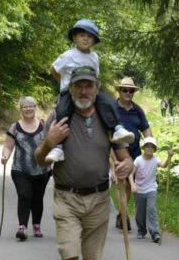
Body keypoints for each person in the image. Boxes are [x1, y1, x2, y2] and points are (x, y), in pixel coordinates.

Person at [35, 66, 132, 260]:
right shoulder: (59, 117)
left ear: (97, 88)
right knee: (69, 251)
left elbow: (125, 159)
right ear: (71, 88)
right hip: (67, 196)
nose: (84, 91)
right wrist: (48, 142)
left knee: (92, 256)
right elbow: (39, 159)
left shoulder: (106, 117)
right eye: (79, 85)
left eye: (89, 85)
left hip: (100, 198)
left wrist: (127, 168)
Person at [46, 18, 134, 163]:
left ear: (93, 40)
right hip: (71, 91)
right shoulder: (68, 55)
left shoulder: (94, 57)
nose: (85, 39)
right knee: (62, 111)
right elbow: (54, 69)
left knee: (108, 102)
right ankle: (59, 147)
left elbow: (96, 76)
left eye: (89, 36)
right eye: (82, 35)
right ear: (74, 37)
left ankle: (117, 128)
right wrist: (63, 84)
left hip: (90, 91)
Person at [1, 96, 52, 240]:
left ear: (36, 108)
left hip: (42, 169)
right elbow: (8, 146)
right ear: (21, 109)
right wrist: (5, 156)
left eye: (31, 106)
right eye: (25, 106)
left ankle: (36, 225)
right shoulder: (15, 127)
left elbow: (51, 144)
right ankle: (22, 227)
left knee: (37, 198)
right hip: (20, 169)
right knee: (24, 196)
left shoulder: (44, 125)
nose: (28, 109)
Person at [114, 77, 152, 230]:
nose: (128, 93)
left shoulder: (138, 110)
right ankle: (123, 216)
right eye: (125, 90)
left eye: (131, 90)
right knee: (121, 182)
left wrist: (150, 144)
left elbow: (146, 129)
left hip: (135, 150)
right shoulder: (112, 107)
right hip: (116, 150)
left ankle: (120, 213)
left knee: (130, 185)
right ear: (119, 91)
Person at [129, 137, 174, 243]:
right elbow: (130, 174)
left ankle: (155, 233)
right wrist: (132, 185)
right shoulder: (138, 160)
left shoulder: (155, 159)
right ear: (144, 147)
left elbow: (163, 165)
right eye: (147, 146)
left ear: (154, 149)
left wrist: (169, 156)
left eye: (152, 147)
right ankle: (141, 230)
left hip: (151, 189)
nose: (150, 148)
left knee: (151, 209)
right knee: (140, 212)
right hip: (138, 189)